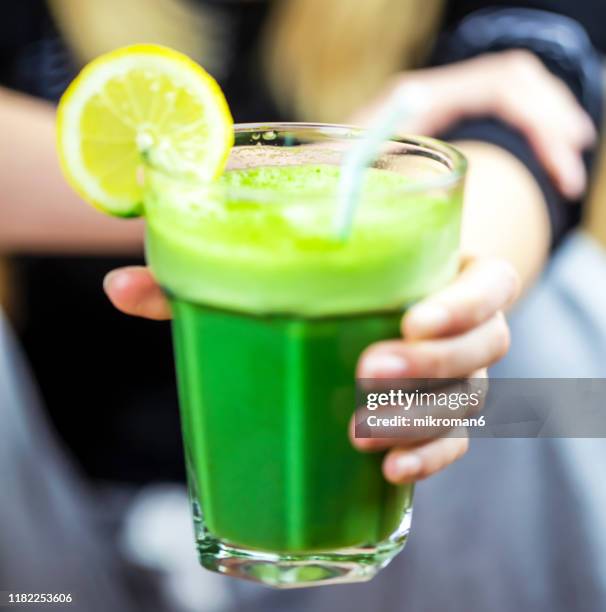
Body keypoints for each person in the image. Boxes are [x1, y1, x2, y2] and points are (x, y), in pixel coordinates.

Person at [0, 1, 603, 610]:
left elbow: (536, 122)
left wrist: (459, 306)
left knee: (563, 309)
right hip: (60, 526)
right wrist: (282, 189)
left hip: (380, 524)